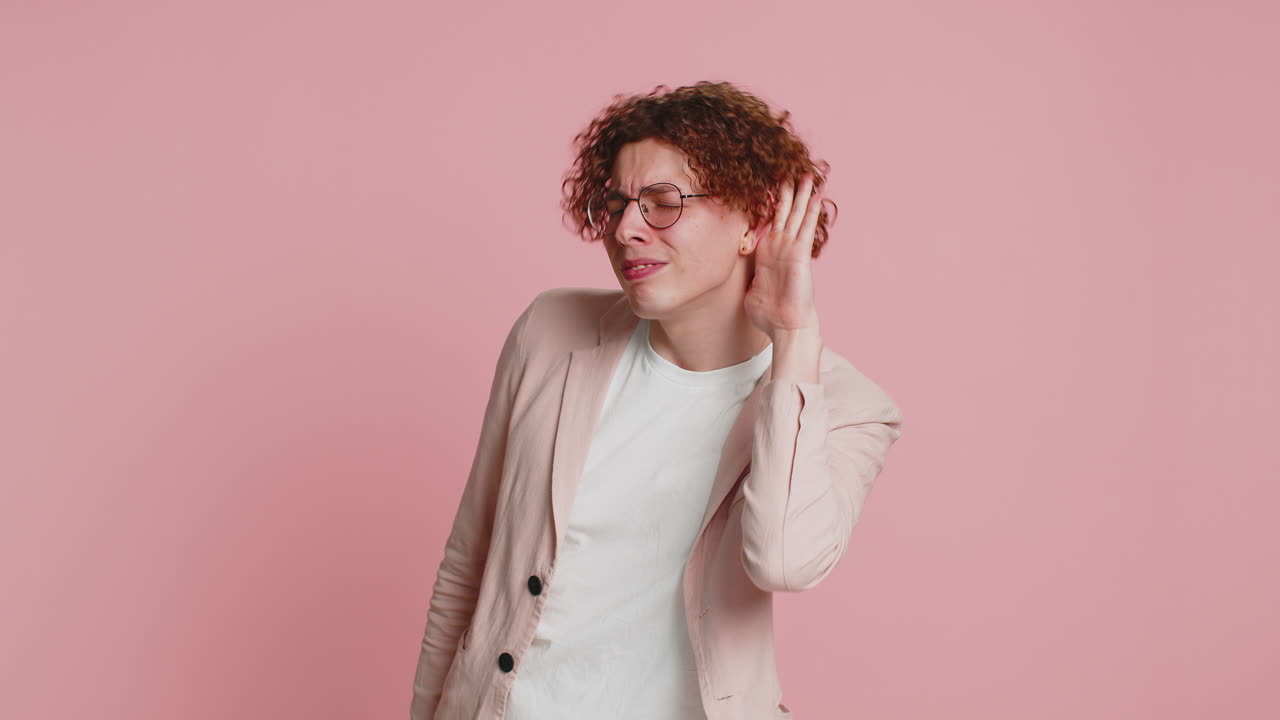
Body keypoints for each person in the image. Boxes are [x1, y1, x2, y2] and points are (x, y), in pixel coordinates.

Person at [410, 81, 905, 720]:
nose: (625, 228)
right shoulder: (550, 333)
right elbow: (467, 567)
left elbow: (783, 560)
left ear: (756, 222)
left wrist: (796, 337)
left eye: (663, 203)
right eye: (616, 204)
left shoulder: (849, 405)